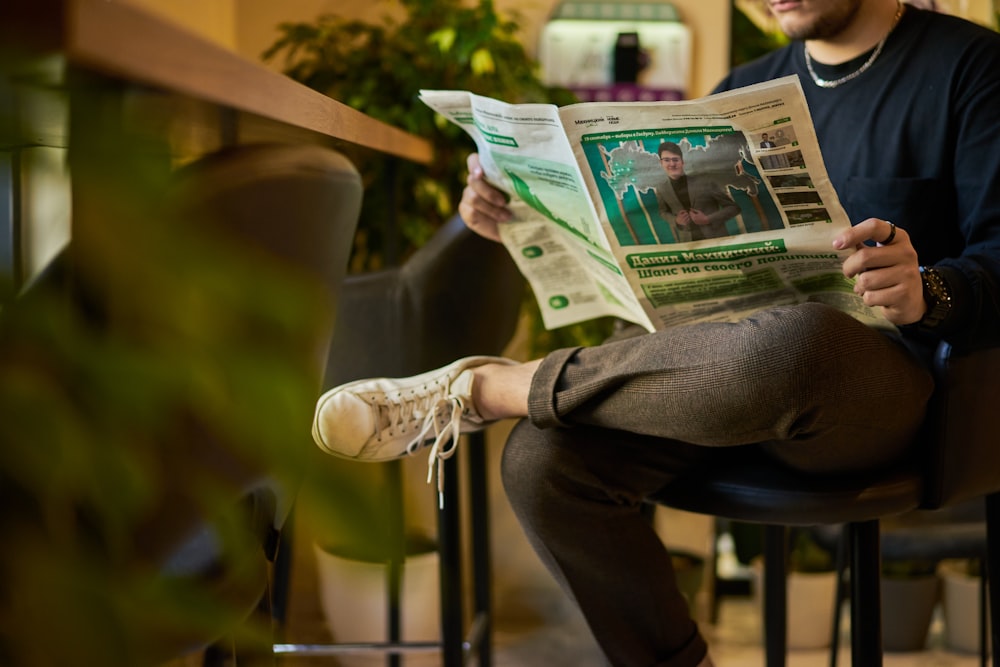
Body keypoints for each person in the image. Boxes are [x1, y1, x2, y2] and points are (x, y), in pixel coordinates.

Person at [311, 1, 1000, 665]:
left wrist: (929, 290)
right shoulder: (744, 90)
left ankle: (496, 385)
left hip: (880, 397)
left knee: (801, 342)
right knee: (542, 462)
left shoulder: (971, 67)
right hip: (726, 382)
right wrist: (515, 210)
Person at [656, 141, 741, 241]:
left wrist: (707, 219)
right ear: (661, 163)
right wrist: (676, 221)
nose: (672, 164)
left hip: (717, 239)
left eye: (675, 159)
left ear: (682, 162)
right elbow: (663, 212)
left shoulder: (705, 181)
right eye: (666, 160)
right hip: (688, 243)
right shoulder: (661, 188)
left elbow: (734, 208)